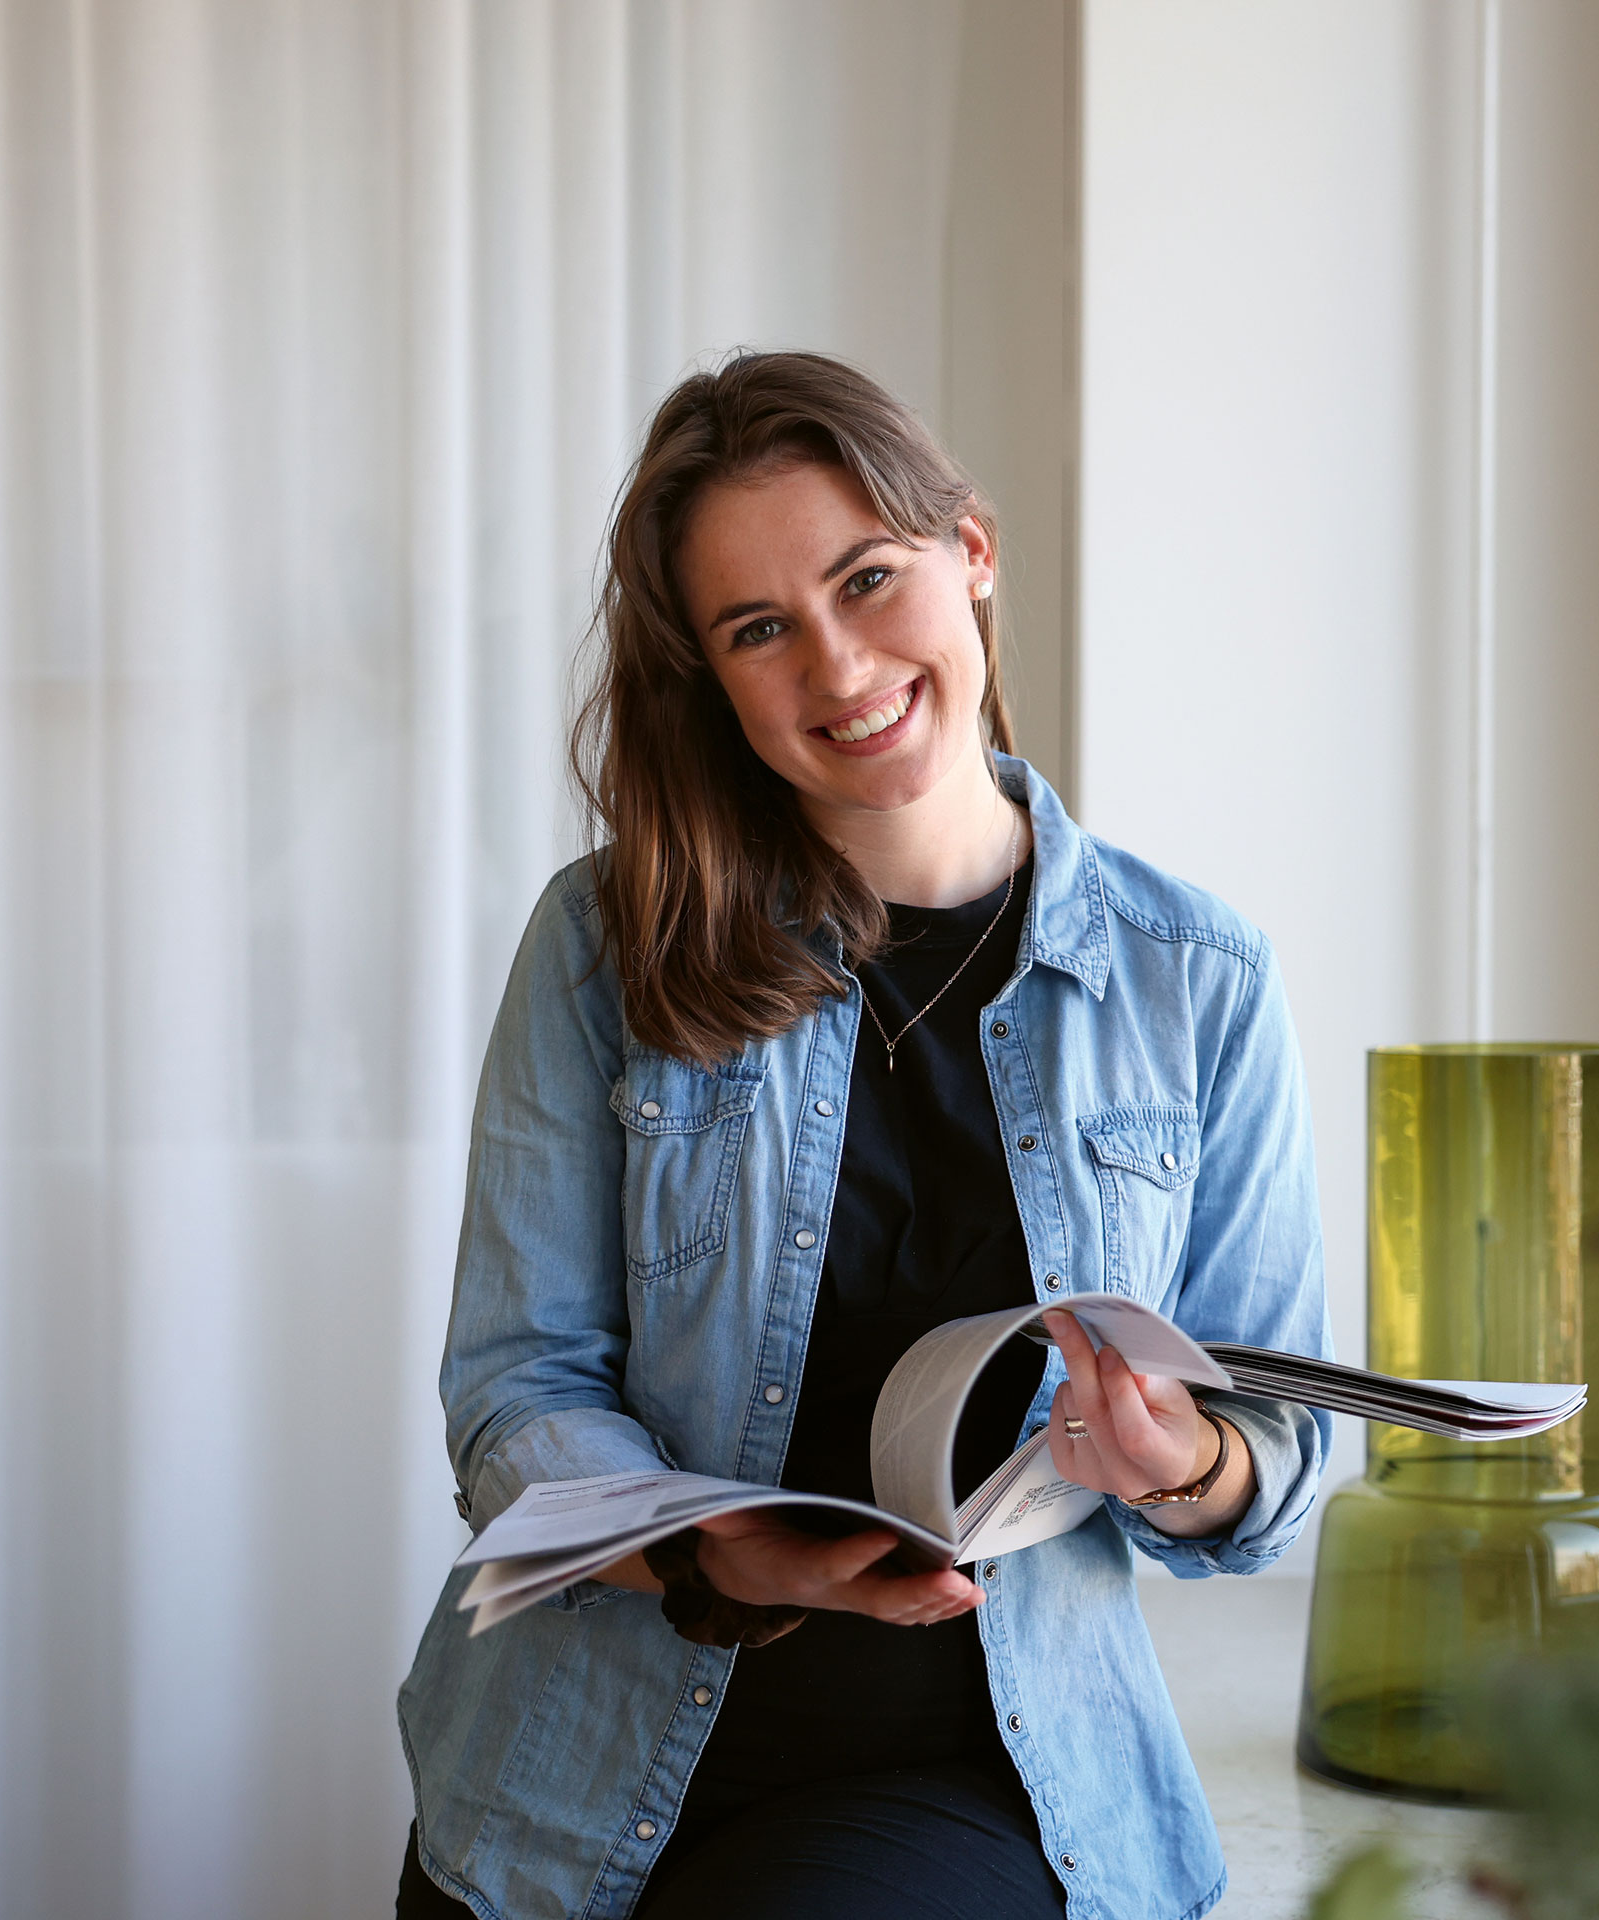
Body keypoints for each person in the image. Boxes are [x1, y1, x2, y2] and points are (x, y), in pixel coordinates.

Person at [394, 350, 1331, 1920]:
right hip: (564, 1792)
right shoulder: (604, 946)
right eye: (759, 628)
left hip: (968, 1780)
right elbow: (515, 1394)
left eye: (867, 579)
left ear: (970, 551)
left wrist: (1182, 1465)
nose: (838, 667)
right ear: (711, 676)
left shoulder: (1198, 980)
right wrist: (712, 1548)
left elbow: (1275, 1463)